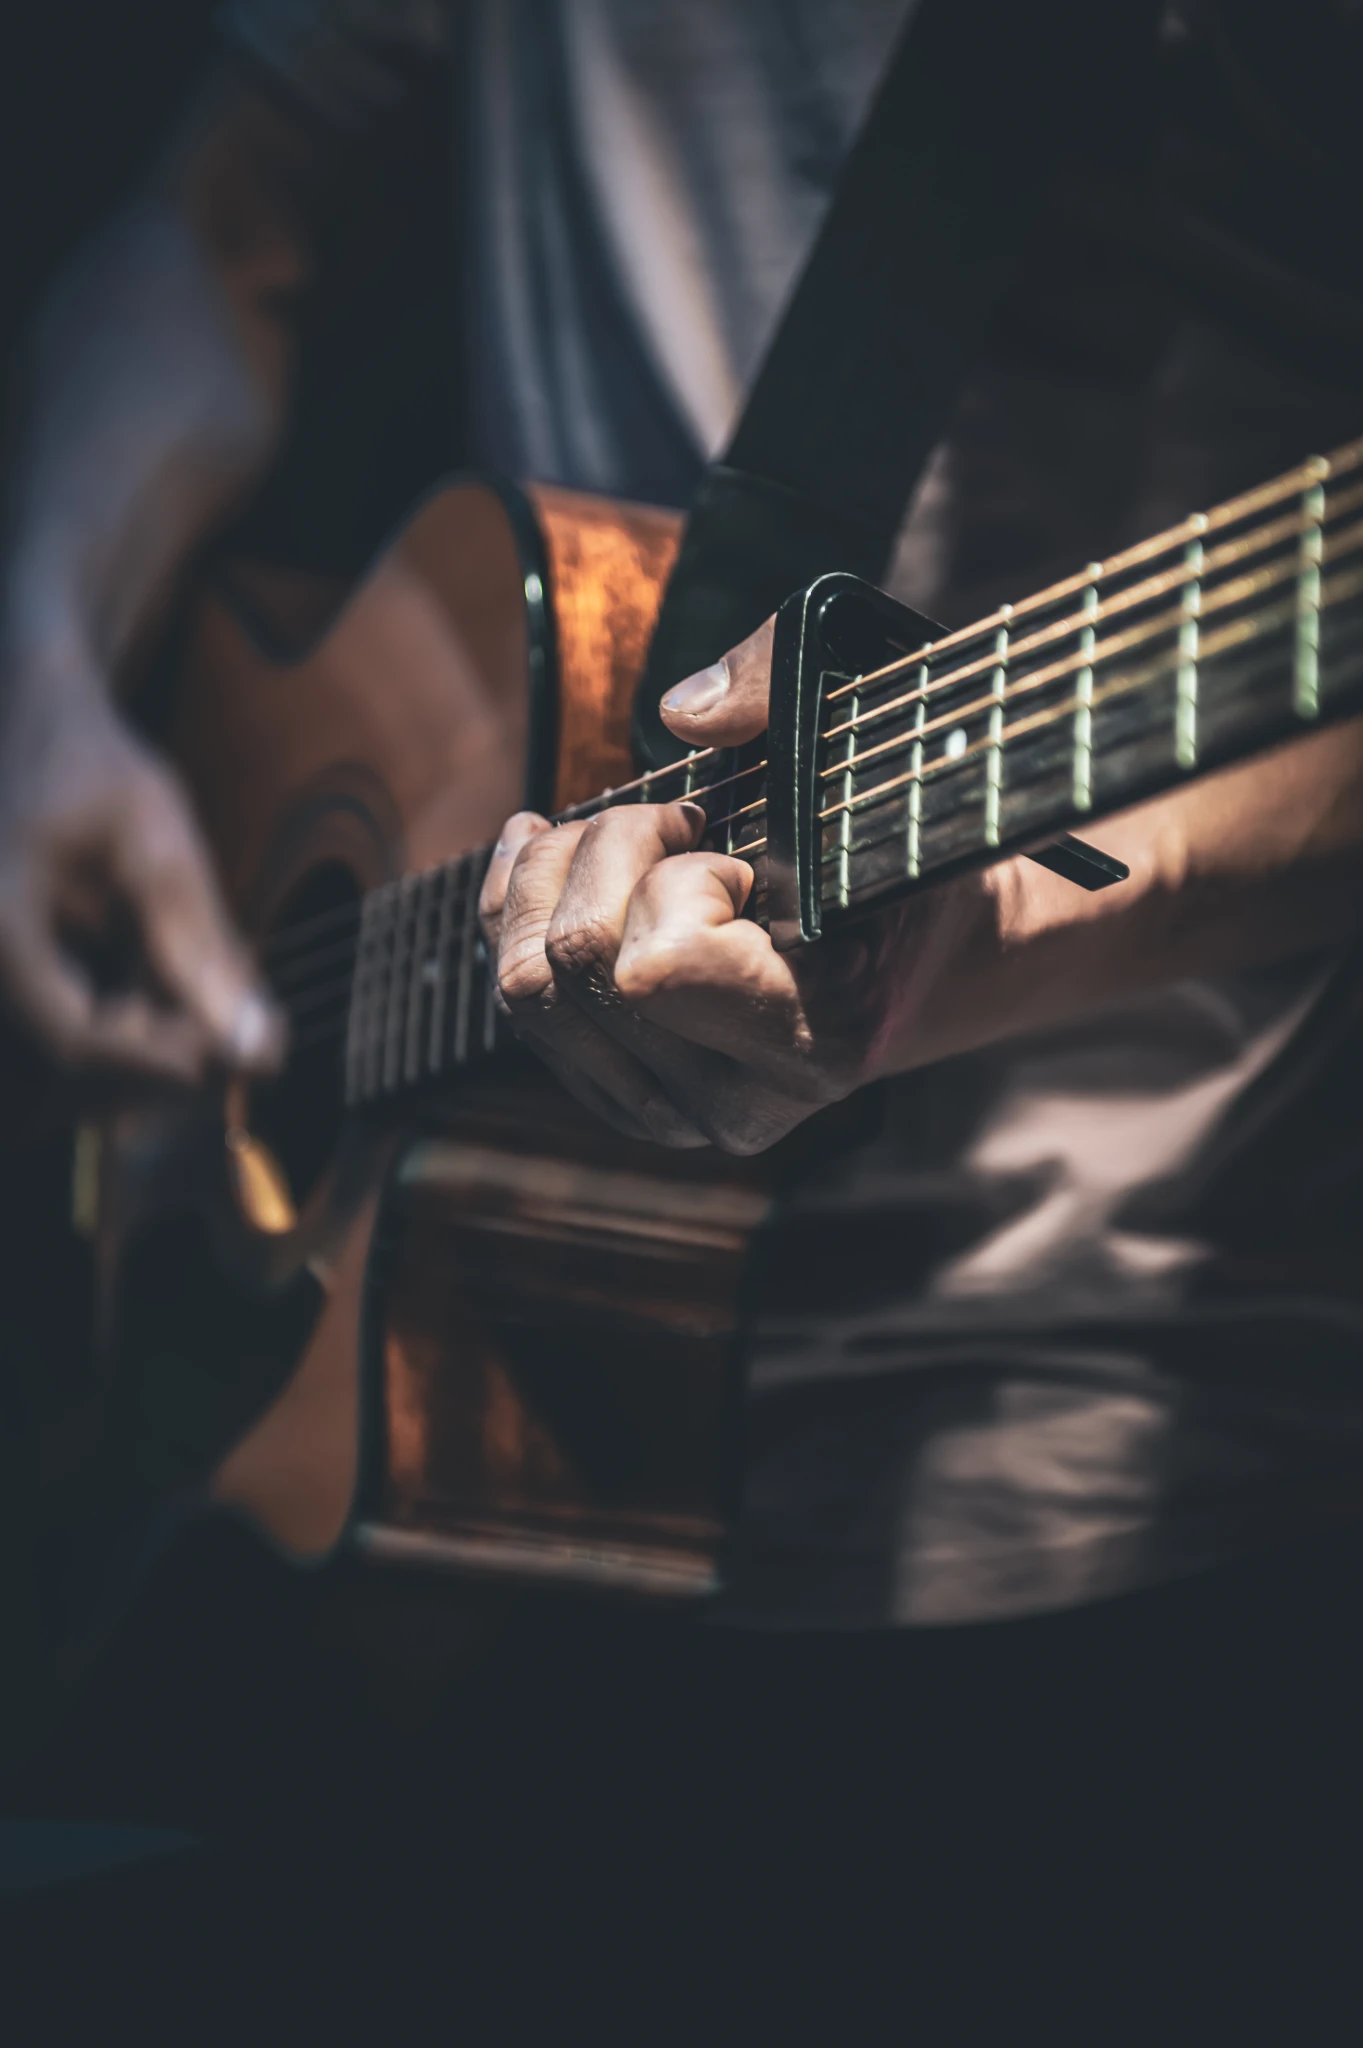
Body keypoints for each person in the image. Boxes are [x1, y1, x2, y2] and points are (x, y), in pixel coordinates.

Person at [5, 0, 1363, 2018]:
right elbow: (232, 199)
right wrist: (37, 680)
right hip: (461, 1537)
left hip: (1090, 1465)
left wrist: (959, 944)